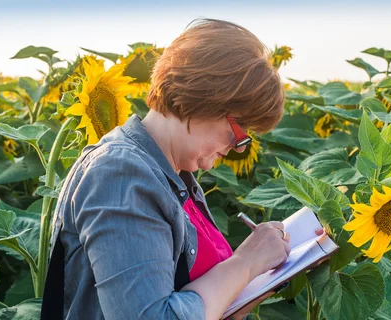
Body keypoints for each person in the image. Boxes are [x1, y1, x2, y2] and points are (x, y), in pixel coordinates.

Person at [49, 18, 323, 320]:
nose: (238, 147)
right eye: (239, 129)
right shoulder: (120, 174)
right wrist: (245, 262)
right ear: (205, 96)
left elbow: (202, 303)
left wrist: (267, 271)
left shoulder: (175, 176)